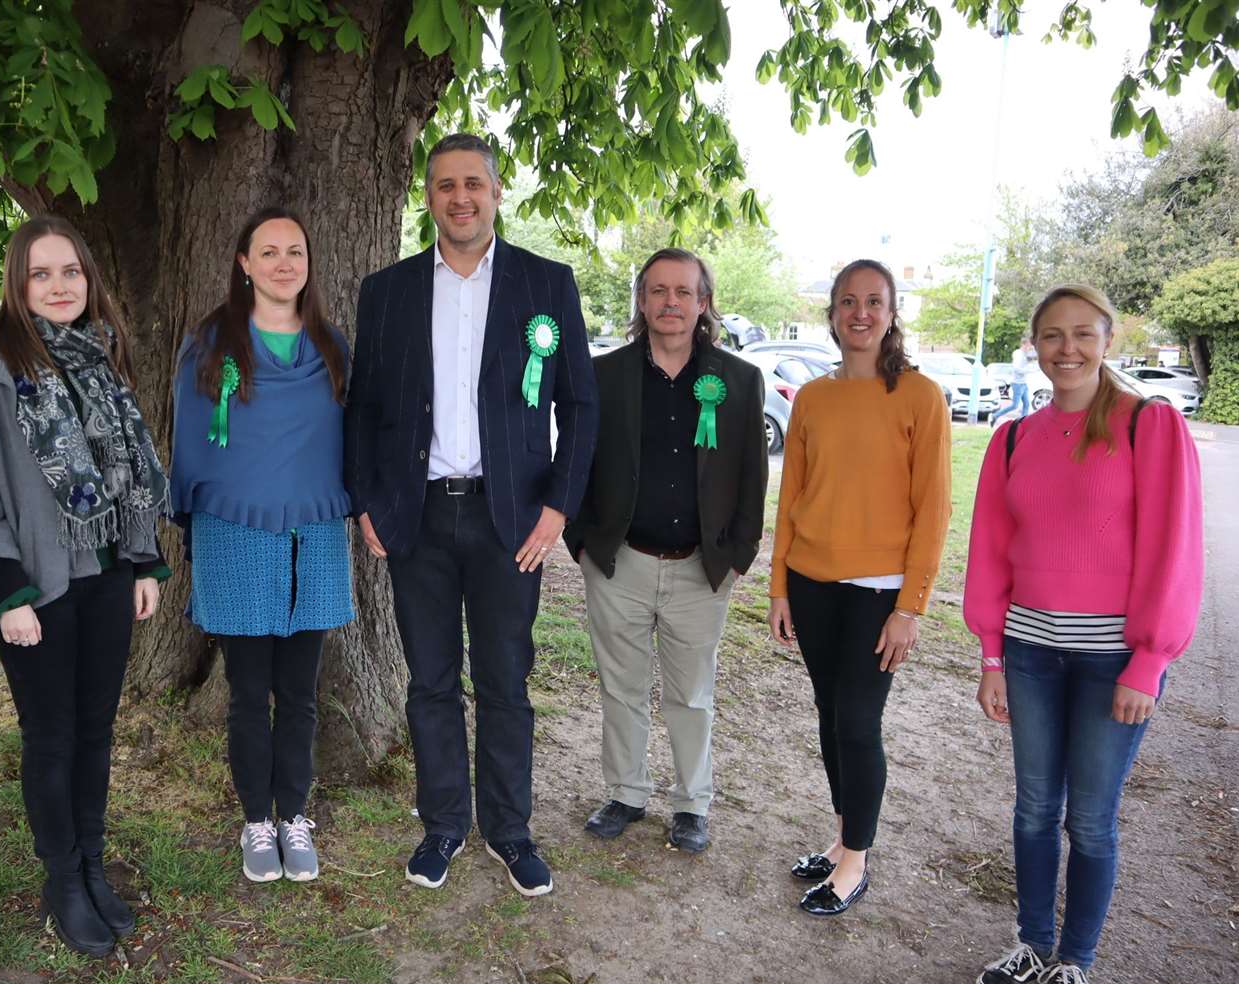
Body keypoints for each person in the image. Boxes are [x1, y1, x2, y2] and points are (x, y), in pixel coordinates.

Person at [345, 133, 597, 897]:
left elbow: (580, 406)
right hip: (416, 519)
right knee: (429, 682)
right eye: (446, 185)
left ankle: (509, 832)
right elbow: (362, 412)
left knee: (505, 683)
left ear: (495, 193)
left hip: (509, 521)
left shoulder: (545, 285)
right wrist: (366, 503)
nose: (461, 198)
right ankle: (444, 825)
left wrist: (557, 508)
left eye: (474, 185)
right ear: (429, 196)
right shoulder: (385, 290)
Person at [963, 284, 1202, 984]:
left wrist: (1149, 662)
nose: (1067, 349)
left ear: (1106, 340)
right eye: (1052, 336)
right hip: (1031, 654)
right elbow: (992, 553)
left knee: (1091, 821)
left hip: (1111, 665)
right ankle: (1033, 946)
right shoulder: (1013, 439)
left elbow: (1175, 549)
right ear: (1033, 344)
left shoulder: (1148, 427)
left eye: (1082, 335)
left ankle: (1075, 963)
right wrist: (992, 657)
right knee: (1035, 810)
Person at [0, 216, 171, 959]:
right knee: (51, 737)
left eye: (70, 271)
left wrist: (141, 562)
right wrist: (6, 592)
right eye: (41, 274)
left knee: (95, 731)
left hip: (105, 574)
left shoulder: (102, 358)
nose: (59, 286)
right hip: (37, 584)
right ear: (17, 284)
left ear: (89, 278)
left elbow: (127, 471)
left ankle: (92, 864)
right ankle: (62, 880)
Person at [170, 207, 354, 884]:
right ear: (243, 264)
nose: (284, 263)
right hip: (235, 535)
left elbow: (347, 442)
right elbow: (189, 441)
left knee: (300, 694)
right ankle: (256, 819)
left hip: (315, 537)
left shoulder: (333, 346)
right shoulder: (211, 344)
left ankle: (295, 815)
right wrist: (193, 520)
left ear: (309, 263)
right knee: (249, 694)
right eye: (268, 252)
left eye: (295, 252)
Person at [564, 248, 768, 853]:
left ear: (703, 303)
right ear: (642, 302)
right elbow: (578, 462)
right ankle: (627, 793)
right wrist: (582, 543)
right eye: (657, 291)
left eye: (683, 292)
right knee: (621, 687)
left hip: (700, 570)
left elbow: (753, 476)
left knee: (691, 693)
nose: (670, 302)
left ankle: (691, 804)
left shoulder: (738, 379)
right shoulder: (604, 376)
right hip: (619, 563)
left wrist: (738, 554)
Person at [766, 258, 951, 917]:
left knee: (857, 719)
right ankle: (845, 836)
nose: (860, 312)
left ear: (893, 313)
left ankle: (855, 862)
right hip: (813, 585)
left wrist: (911, 607)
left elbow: (933, 510)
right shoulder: (812, 398)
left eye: (874, 301)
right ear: (833, 314)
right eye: (847, 301)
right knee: (828, 712)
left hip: (880, 593)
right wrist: (780, 587)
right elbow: (791, 498)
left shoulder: (921, 397)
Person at [991, 337, 1038, 425]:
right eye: (1029, 346)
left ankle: (1023, 423)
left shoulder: (1025, 354)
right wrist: (1028, 370)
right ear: (1024, 344)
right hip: (1017, 383)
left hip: (1023, 383)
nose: (1030, 348)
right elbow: (1016, 369)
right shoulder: (1018, 354)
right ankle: (995, 415)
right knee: (1014, 405)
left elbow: (1031, 360)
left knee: (1027, 404)